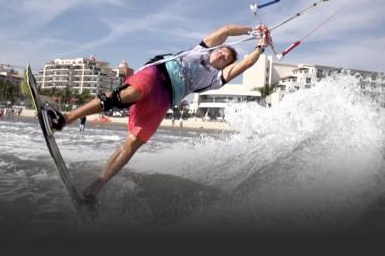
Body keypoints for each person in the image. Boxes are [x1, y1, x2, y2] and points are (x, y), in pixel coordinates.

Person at [45, 24, 271, 209]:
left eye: (227, 58)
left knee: (133, 143)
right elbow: (227, 30)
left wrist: (261, 46)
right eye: (222, 51)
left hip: (165, 99)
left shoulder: (216, 78)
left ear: (227, 65)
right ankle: (66, 118)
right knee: (130, 93)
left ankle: (94, 191)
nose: (223, 54)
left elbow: (248, 62)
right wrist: (253, 31)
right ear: (215, 49)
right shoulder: (201, 49)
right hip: (158, 72)